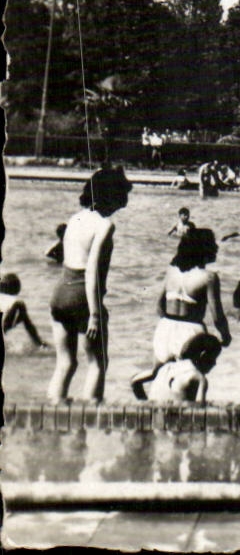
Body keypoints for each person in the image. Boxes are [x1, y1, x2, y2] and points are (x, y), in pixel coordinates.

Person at [48, 166, 131, 402]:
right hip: (83, 297)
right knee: (97, 363)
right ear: (111, 196)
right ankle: (89, 424)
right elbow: (92, 269)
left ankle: (53, 418)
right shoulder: (104, 225)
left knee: (65, 363)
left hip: (60, 293)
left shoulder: (75, 218)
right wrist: (95, 314)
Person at [131, 227, 231, 400]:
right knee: (192, 382)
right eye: (213, 244)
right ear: (204, 248)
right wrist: (225, 335)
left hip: (165, 328)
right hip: (191, 331)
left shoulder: (172, 271)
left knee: (158, 374)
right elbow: (217, 316)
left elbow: (159, 306)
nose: (216, 247)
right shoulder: (208, 277)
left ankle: (142, 400)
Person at [147, 333, 223, 403]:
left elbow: (135, 382)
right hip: (176, 416)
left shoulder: (165, 367)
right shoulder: (198, 378)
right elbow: (199, 413)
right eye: (213, 359)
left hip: (153, 413)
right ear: (202, 356)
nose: (214, 364)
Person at [0, 274, 45, 349]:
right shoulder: (15, 301)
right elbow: (29, 326)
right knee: (20, 307)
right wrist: (39, 343)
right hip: (5, 321)